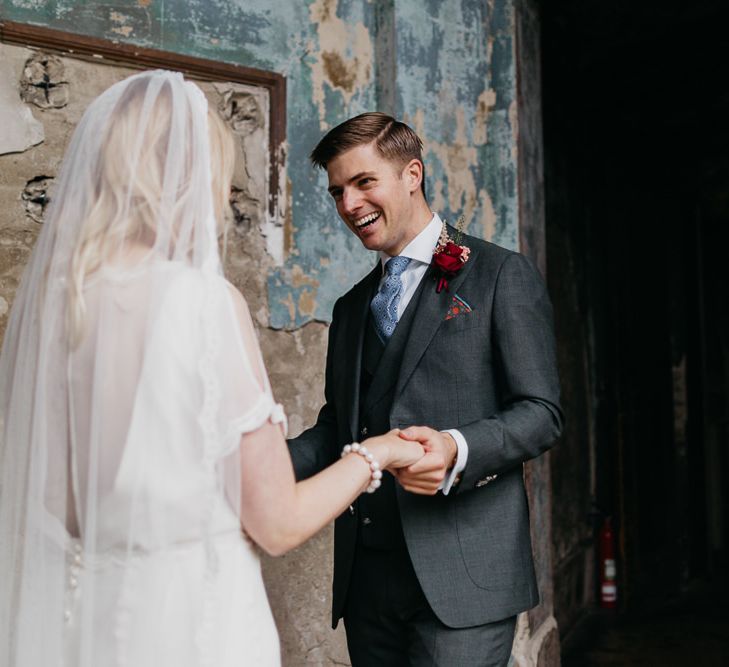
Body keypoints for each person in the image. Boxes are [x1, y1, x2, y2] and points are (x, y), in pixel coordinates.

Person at [0, 72, 424, 667]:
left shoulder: (58, 305)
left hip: (94, 620)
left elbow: (55, 499)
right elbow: (277, 525)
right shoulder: (201, 301)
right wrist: (376, 453)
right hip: (193, 620)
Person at [288, 112, 564, 666]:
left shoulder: (499, 275)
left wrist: (458, 448)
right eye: (338, 191)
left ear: (411, 174)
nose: (349, 205)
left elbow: (541, 413)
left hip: (464, 577)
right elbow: (339, 425)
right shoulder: (349, 309)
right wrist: (261, 461)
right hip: (368, 580)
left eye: (364, 183)